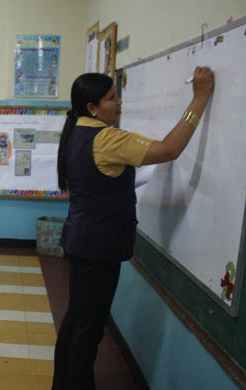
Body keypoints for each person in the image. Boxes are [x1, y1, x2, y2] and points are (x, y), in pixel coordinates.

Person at [53, 67, 214, 390]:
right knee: (88, 326)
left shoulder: (76, 131)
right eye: (111, 98)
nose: (119, 102)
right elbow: (170, 150)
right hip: (99, 246)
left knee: (78, 320)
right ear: (92, 108)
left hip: (83, 240)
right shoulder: (107, 138)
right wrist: (200, 98)